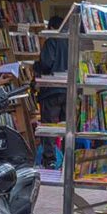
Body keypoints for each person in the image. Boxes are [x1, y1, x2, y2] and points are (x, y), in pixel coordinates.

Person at [36, 16, 67, 168]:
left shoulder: (51, 41)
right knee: (66, 127)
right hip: (67, 91)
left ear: (52, 28)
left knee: (49, 126)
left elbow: (46, 64)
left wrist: (36, 66)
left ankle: (50, 160)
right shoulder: (70, 41)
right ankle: (67, 157)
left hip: (51, 91)